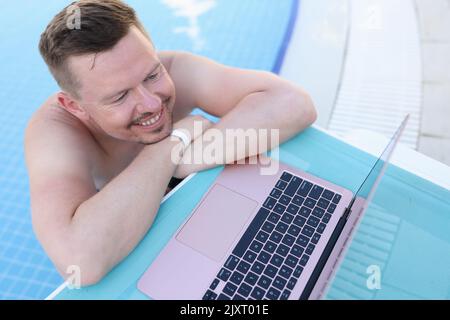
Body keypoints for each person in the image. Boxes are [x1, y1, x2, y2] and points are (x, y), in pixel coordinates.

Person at [25, 0, 317, 286]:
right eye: (120, 97)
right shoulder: (56, 132)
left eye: (152, 75)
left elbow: (294, 103)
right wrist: (173, 143)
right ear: (75, 106)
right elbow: (80, 261)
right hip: (121, 224)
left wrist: (183, 162)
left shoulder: (175, 67)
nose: (151, 103)